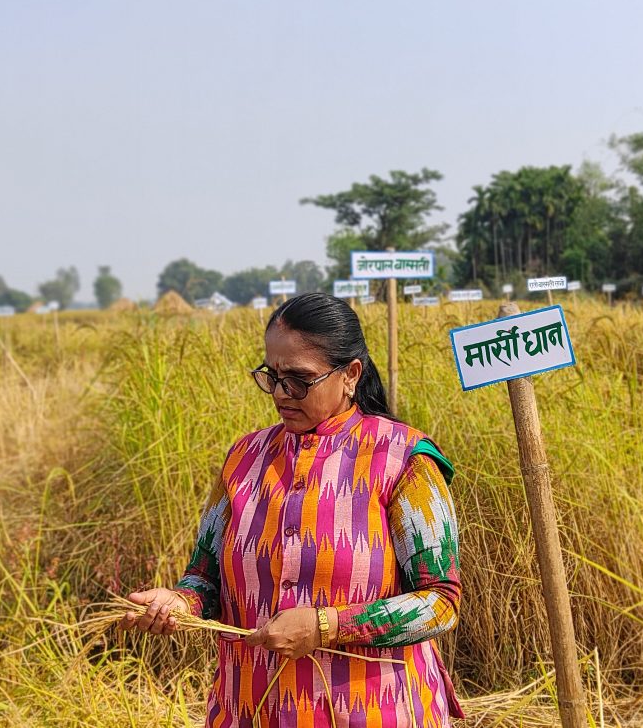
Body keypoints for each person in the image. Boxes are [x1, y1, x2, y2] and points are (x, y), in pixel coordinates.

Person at [122, 293, 463, 727]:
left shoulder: (404, 460)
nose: (282, 394)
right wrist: (179, 602)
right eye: (273, 375)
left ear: (350, 375)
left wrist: (327, 626)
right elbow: (203, 578)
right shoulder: (243, 459)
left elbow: (441, 602)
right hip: (250, 708)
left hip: (375, 712)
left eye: (300, 380)